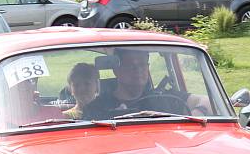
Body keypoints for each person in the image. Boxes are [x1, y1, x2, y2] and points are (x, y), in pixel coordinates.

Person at [82, 48, 211, 120]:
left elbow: (206, 100)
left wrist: (197, 115)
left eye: (142, 64)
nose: (138, 70)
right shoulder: (96, 108)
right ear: (116, 70)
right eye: (131, 65)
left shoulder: (165, 98)